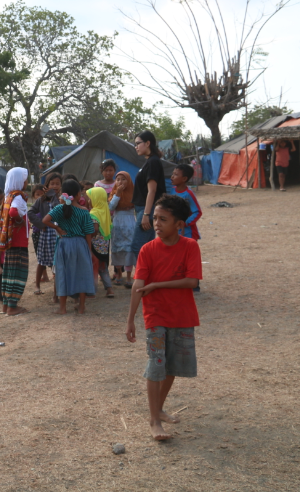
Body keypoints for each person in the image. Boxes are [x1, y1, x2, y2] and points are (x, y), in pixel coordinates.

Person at [125, 195, 202, 442]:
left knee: (171, 367)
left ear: (179, 224)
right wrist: (130, 319)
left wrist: (157, 284)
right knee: (156, 365)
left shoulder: (190, 246)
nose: (156, 223)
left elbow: (192, 281)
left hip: (182, 316)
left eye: (163, 219)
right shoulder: (148, 250)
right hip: (155, 316)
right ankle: (154, 420)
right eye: (155, 218)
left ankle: (158, 408)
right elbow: (138, 283)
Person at [42, 180, 95, 315]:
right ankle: (82, 307)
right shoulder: (84, 211)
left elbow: (45, 220)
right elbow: (89, 234)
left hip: (64, 243)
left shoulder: (60, 208)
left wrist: (58, 228)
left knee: (62, 273)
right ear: (78, 194)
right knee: (82, 274)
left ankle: (62, 308)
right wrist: (89, 250)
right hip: (80, 244)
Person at [0, 167, 31, 315]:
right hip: (18, 240)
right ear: (19, 181)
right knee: (18, 273)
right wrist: (20, 221)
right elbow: (13, 212)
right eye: (25, 179)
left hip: (10, 240)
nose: (27, 182)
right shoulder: (18, 197)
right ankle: (12, 307)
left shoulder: (8, 196)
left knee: (9, 273)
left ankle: (6, 306)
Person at [132, 130, 167, 257]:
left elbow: (152, 190)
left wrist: (146, 214)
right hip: (145, 208)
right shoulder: (149, 161)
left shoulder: (153, 162)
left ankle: (145, 276)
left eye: (138, 143)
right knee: (148, 247)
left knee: (137, 247)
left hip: (148, 209)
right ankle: (152, 276)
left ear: (147, 143)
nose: (136, 147)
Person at [29, 172, 63, 297]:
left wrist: (53, 195)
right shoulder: (41, 200)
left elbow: (57, 210)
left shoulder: (61, 199)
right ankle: (37, 285)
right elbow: (30, 213)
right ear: (47, 185)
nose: (54, 186)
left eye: (57, 184)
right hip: (46, 233)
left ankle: (56, 292)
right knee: (42, 261)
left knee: (58, 262)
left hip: (58, 233)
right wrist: (41, 225)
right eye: (52, 183)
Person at [170, 164, 203, 293]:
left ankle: (195, 284)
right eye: (172, 174)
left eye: (176, 174)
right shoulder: (171, 190)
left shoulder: (188, 194)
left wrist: (185, 223)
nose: (172, 176)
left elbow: (197, 212)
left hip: (188, 232)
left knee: (189, 258)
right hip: (175, 231)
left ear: (184, 179)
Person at [109, 171, 137, 287]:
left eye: (123, 179)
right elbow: (111, 207)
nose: (120, 182)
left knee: (129, 248)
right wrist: (118, 194)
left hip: (130, 222)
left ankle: (129, 276)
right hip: (117, 222)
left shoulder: (134, 192)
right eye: (118, 179)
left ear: (129, 181)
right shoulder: (114, 192)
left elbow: (138, 205)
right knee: (117, 248)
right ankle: (119, 274)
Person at [87, 187, 114, 297]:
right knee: (103, 268)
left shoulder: (93, 213)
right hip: (104, 246)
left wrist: (88, 235)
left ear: (96, 199)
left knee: (93, 267)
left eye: (90, 198)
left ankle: (92, 290)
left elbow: (95, 228)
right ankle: (109, 289)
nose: (88, 201)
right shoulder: (105, 211)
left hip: (94, 245)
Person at [27, 184, 50, 283]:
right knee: (40, 256)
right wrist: (41, 225)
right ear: (33, 196)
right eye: (37, 194)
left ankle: (53, 273)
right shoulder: (35, 208)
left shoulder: (47, 205)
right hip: (37, 233)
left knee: (50, 253)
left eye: (42, 194)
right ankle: (44, 276)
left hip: (46, 233)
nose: (40, 196)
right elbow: (30, 216)